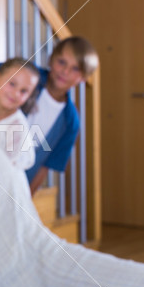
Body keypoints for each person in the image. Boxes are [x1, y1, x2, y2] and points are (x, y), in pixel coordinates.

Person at [25, 36, 99, 195]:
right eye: (62, 62)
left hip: (20, 182)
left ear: (83, 78)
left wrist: (26, 198)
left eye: (75, 69)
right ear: (51, 60)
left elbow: (46, 166)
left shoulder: (71, 122)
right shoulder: (27, 77)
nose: (65, 71)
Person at [0, 59, 39, 170]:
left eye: (23, 91)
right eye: (12, 84)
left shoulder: (17, 128)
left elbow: (4, 170)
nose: (15, 94)